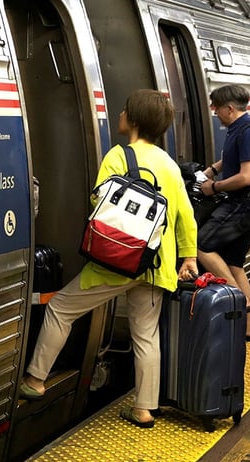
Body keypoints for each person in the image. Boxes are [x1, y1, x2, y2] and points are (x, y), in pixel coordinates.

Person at [19, 89, 199, 428]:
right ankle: (145, 409)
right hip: (155, 267)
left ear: (132, 120)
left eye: (123, 111)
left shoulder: (119, 156)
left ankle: (36, 380)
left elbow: (100, 205)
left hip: (115, 264)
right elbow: (185, 217)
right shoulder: (169, 165)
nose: (119, 115)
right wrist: (188, 257)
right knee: (145, 336)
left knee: (60, 309)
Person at [197, 84, 250, 342]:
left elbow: (245, 176)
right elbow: (230, 160)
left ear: (230, 108)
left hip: (244, 203)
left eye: (217, 108)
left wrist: (212, 187)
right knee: (234, 264)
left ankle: (237, 302)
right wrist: (210, 172)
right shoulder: (242, 129)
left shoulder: (247, 132)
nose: (215, 112)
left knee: (201, 245)